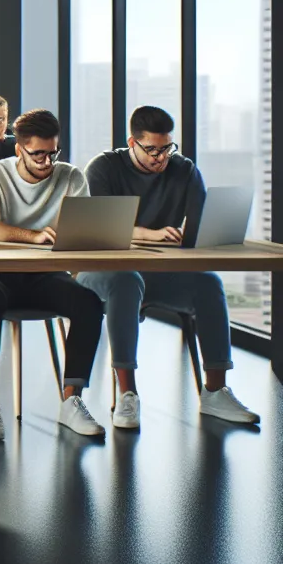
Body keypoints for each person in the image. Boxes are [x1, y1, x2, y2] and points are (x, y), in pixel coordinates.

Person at [76, 107, 258, 428]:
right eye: (152, 150)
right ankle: (127, 395)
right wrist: (148, 234)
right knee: (126, 280)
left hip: (158, 271)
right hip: (101, 270)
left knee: (208, 284)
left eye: (167, 148)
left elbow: (198, 229)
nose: (161, 157)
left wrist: (210, 235)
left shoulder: (184, 170)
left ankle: (215, 391)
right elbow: (97, 231)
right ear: (132, 142)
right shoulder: (103, 168)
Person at [0, 109, 106, 439]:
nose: (46, 162)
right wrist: (32, 235)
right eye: (37, 154)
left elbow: (80, 229)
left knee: (88, 303)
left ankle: (71, 402)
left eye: (52, 152)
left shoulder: (71, 177)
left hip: (44, 274)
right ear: (19, 149)